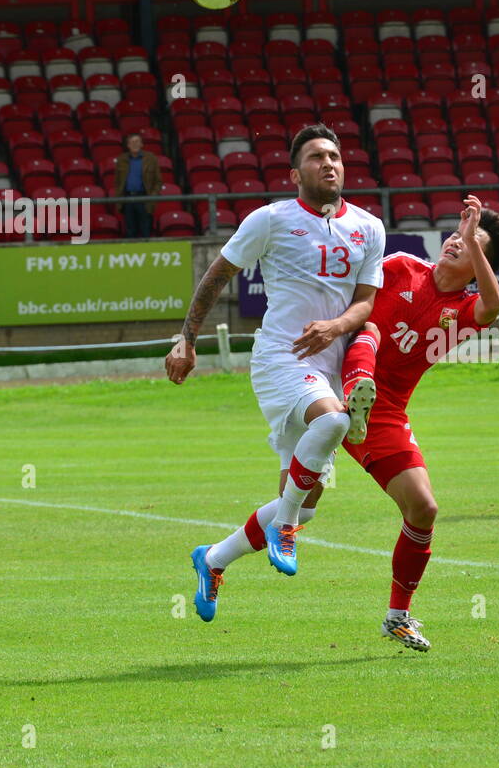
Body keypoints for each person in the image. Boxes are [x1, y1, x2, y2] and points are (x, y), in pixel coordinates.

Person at [165, 123, 385, 622]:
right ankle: (283, 529)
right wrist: (188, 339)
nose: (328, 163)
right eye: (315, 157)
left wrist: (335, 327)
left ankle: (213, 558)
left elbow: (365, 302)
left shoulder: (369, 227)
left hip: (326, 366)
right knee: (333, 423)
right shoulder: (270, 219)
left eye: (334, 155)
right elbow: (217, 275)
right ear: (295, 173)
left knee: (306, 504)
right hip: (281, 359)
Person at [337, 194, 499, 650]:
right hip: (334, 382)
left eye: (471, 242)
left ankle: (398, 615)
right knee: (370, 331)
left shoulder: (465, 311)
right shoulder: (400, 265)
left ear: (481, 265)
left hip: (386, 412)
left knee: (424, 508)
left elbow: (494, 305)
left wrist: (476, 239)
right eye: (456, 235)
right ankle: (347, 403)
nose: (457, 242)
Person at [113, 133, 160, 238]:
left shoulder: (151, 158)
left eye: (137, 141)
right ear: (128, 145)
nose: (135, 144)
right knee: (130, 231)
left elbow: (158, 181)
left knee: (146, 230)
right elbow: (117, 181)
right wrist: (119, 197)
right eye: (132, 142)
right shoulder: (121, 160)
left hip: (144, 198)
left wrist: (152, 196)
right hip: (128, 199)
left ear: (142, 144)